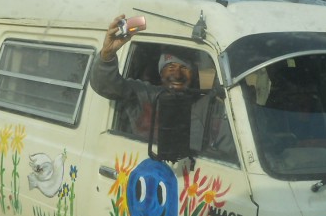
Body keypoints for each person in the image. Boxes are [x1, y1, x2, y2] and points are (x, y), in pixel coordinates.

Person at [90, 14, 234, 159]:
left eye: (184, 68)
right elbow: (105, 85)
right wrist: (107, 55)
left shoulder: (211, 106)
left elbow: (229, 152)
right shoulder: (147, 96)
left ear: (193, 73)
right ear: (161, 73)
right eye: (170, 67)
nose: (177, 74)